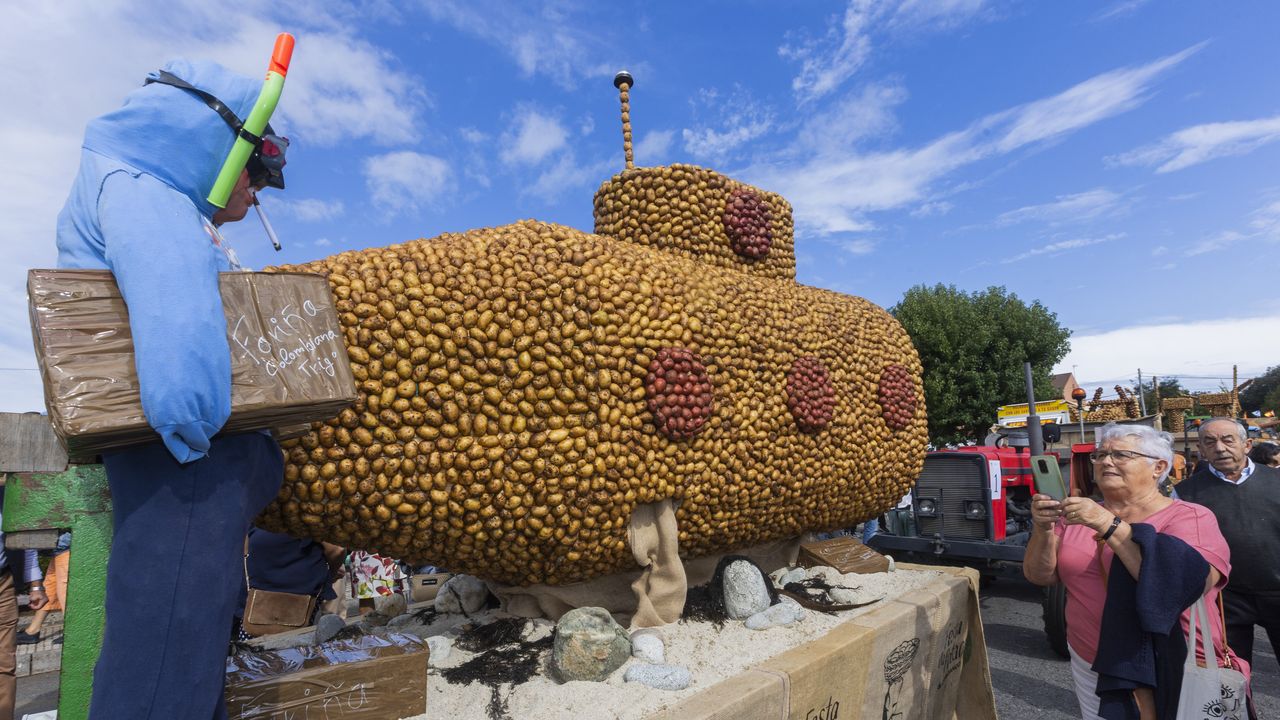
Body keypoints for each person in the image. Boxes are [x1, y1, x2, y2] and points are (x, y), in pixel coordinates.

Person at [56, 58, 290, 718]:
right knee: (166, 660)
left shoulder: (126, 183)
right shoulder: (146, 194)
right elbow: (177, 322)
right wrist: (198, 432)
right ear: (219, 143)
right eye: (253, 171)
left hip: (171, 460)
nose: (254, 191)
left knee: (174, 647)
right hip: (183, 463)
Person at [1023, 423, 1236, 720]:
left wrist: (1107, 524)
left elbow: (1183, 587)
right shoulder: (1077, 515)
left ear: (1158, 467)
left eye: (1121, 454)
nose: (1106, 462)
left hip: (1173, 662)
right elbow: (1040, 575)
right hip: (1091, 659)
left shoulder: (1191, 518)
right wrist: (1043, 529)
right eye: (1100, 455)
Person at [1176, 418, 1280, 671]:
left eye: (1227, 440)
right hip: (1224, 597)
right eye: (1210, 442)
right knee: (1232, 675)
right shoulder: (1185, 493)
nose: (1220, 448)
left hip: (1277, 589)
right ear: (1201, 449)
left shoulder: (1276, 480)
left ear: (1247, 445)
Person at [232, 527, 344, 643]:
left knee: (252, 649)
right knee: (299, 647)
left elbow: (244, 551)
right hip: (302, 598)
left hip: (257, 597)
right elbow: (337, 551)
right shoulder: (308, 522)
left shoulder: (257, 521)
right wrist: (331, 574)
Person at [0, 479, 46, 720]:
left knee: (4, 664)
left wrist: (35, 584)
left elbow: (26, 541)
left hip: (2, 583)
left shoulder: (8, 495)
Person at [16, 532, 69, 645]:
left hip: (65, 545)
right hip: (60, 547)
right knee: (50, 586)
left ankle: (73, 630)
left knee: (65, 590)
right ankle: (33, 630)